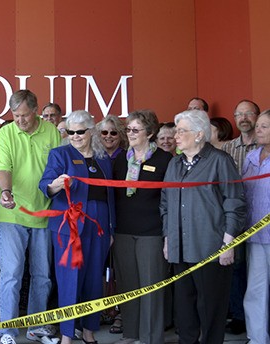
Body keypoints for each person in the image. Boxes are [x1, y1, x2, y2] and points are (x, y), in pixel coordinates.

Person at [160, 109, 246, 344]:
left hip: (211, 248)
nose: (175, 135)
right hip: (180, 248)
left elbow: (235, 203)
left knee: (211, 309)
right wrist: (168, 238)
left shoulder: (220, 161)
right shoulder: (175, 164)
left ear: (199, 134)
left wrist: (229, 243)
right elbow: (165, 203)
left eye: (181, 131)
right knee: (184, 309)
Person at [39, 110, 115, 344]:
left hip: (99, 224)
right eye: (70, 132)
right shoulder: (60, 154)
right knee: (69, 281)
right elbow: (45, 184)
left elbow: (111, 194)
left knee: (94, 279)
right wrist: (54, 186)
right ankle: (67, 335)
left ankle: (90, 331)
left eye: (80, 132)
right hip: (69, 226)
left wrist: (112, 227)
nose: (74, 136)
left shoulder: (103, 159)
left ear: (91, 131)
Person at [0, 90, 60, 344]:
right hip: (12, 213)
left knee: (42, 275)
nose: (19, 120)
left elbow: (55, 169)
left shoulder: (51, 132)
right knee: (11, 274)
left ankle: (35, 328)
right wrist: (6, 191)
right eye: (15, 115)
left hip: (44, 213)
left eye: (24, 115)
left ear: (36, 110)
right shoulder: (6, 133)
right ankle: (8, 332)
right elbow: (3, 166)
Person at [112, 110, 172, 344]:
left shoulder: (165, 160)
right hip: (123, 231)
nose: (130, 133)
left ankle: (150, 338)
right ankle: (131, 334)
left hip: (152, 232)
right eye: (128, 129)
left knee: (151, 287)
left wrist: (168, 235)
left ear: (150, 132)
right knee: (128, 286)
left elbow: (170, 199)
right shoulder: (119, 159)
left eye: (136, 129)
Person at [221, 99, 259, 334]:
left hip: (260, 215)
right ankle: (239, 316)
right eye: (239, 114)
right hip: (236, 217)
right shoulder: (226, 148)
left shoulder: (265, 144)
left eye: (248, 114)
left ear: (256, 117)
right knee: (236, 267)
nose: (244, 118)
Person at [242, 109, 270, 344]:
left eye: (264, 126)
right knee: (255, 290)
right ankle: (257, 338)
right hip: (255, 234)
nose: (258, 130)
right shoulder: (250, 157)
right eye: (258, 126)